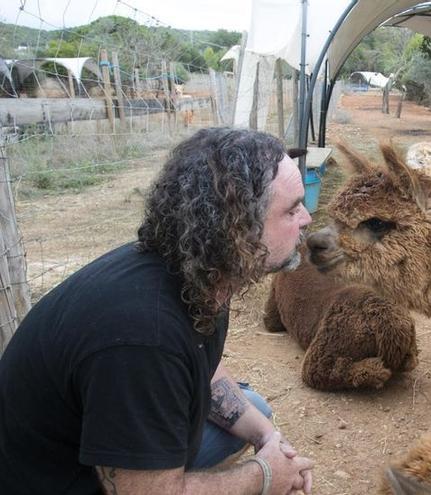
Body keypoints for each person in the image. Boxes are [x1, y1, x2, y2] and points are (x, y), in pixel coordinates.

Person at [0, 128, 315, 494]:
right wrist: (263, 477)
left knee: (256, 409)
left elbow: (205, 369)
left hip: (93, 436)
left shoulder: (205, 269)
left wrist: (267, 438)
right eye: (292, 208)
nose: (307, 218)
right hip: (49, 480)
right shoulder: (143, 336)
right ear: (239, 230)